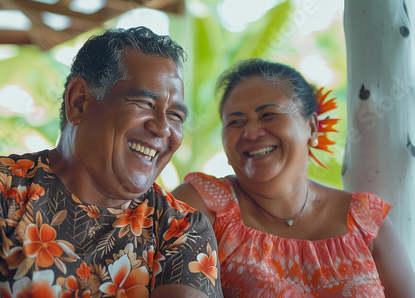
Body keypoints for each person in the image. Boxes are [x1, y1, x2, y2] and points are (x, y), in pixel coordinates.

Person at [0, 26, 223, 298]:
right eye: (144, 102)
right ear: (79, 101)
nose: (163, 128)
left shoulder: (181, 229)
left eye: (175, 115)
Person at [172, 58, 415, 297]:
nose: (251, 132)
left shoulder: (366, 219)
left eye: (268, 114)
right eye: (236, 121)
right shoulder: (202, 205)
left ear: (312, 127)